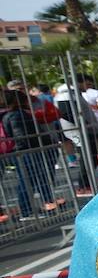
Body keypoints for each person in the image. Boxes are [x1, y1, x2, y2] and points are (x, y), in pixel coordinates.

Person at [2, 87, 62, 218]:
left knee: (31, 179)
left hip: (26, 151)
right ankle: (26, 210)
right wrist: (41, 141)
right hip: (26, 152)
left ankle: (31, 208)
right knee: (27, 181)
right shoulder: (17, 115)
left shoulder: (17, 114)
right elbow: (22, 136)